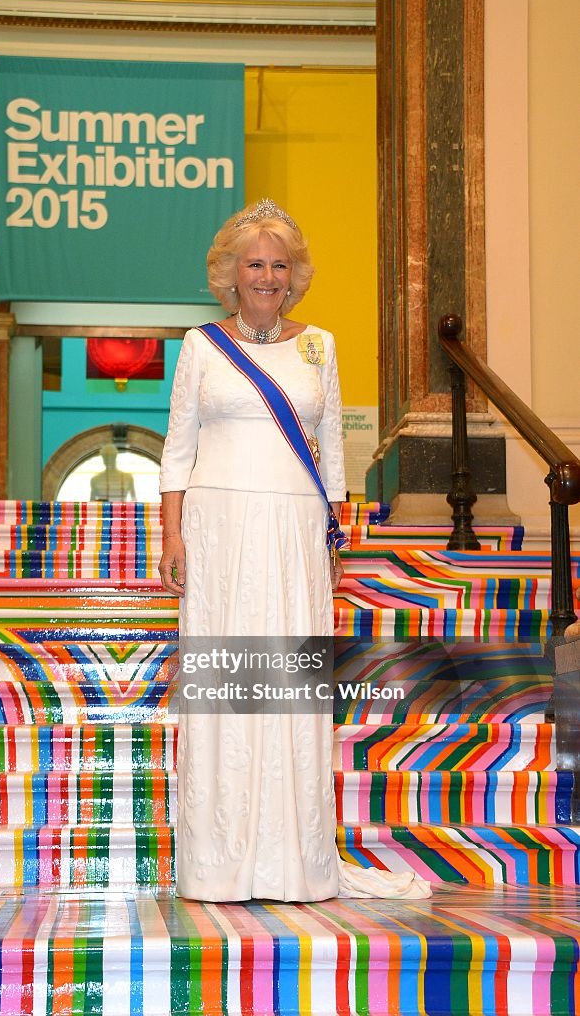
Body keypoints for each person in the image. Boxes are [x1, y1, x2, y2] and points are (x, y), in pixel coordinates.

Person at [158, 199, 431, 902]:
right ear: (230, 273)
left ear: (294, 275)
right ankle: (220, 862)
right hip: (219, 529)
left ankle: (290, 860)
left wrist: (335, 532)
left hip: (296, 529)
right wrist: (172, 530)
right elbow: (178, 449)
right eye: (255, 263)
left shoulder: (319, 346)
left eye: (279, 265)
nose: (268, 276)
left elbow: (333, 449)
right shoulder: (199, 345)